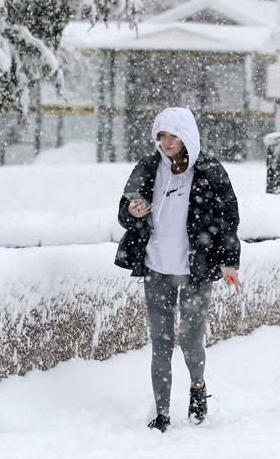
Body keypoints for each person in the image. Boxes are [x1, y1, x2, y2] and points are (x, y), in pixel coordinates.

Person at [115, 107, 242, 433]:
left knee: (189, 338)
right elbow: (124, 213)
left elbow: (228, 219)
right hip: (156, 267)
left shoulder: (209, 170)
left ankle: (198, 387)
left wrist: (229, 261)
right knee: (160, 341)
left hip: (195, 268)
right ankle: (162, 415)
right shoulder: (147, 167)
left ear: (188, 137)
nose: (167, 142)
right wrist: (132, 210)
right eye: (162, 135)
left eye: (173, 135)